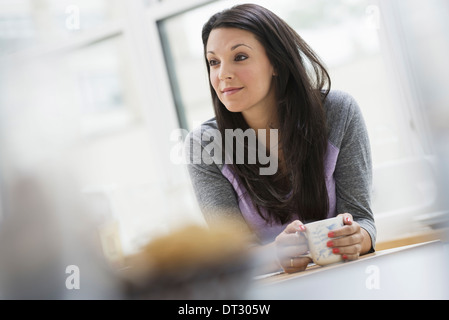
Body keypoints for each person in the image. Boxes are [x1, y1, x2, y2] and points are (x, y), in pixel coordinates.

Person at [186, 3, 376, 274]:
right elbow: (230, 258)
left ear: (276, 62)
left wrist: (358, 238)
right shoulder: (205, 144)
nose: (222, 74)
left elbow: (363, 221)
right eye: (214, 62)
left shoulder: (337, 112)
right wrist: (276, 255)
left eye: (239, 57)